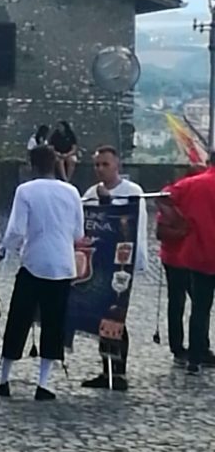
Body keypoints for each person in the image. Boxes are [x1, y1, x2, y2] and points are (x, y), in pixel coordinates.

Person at [0, 145, 84, 401]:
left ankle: (4, 379)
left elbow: (16, 230)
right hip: (62, 265)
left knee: (19, 320)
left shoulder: (25, 191)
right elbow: (78, 234)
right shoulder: (72, 192)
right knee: (54, 323)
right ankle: (44, 383)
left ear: (31, 165)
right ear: (54, 164)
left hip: (33, 263)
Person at [79, 146, 148, 390]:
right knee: (102, 315)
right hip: (98, 263)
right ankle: (106, 369)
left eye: (105, 164)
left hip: (121, 264)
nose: (100, 169)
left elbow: (131, 227)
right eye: (97, 165)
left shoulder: (132, 192)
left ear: (116, 165)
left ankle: (118, 372)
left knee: (116, 314)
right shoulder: (90, 192)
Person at [164, 155, 215, 375]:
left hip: (200, 253)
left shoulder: (192, 184)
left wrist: (180, 222)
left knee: (200, 309)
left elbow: (165, 196)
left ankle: (195, 359)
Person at [157, 181, 192, 366]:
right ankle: (184, 347)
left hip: (184, 256)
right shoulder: (176, 193)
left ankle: (184, 347)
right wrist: (182, 227)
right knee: (182, 302)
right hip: (178, 257)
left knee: (181, 302)